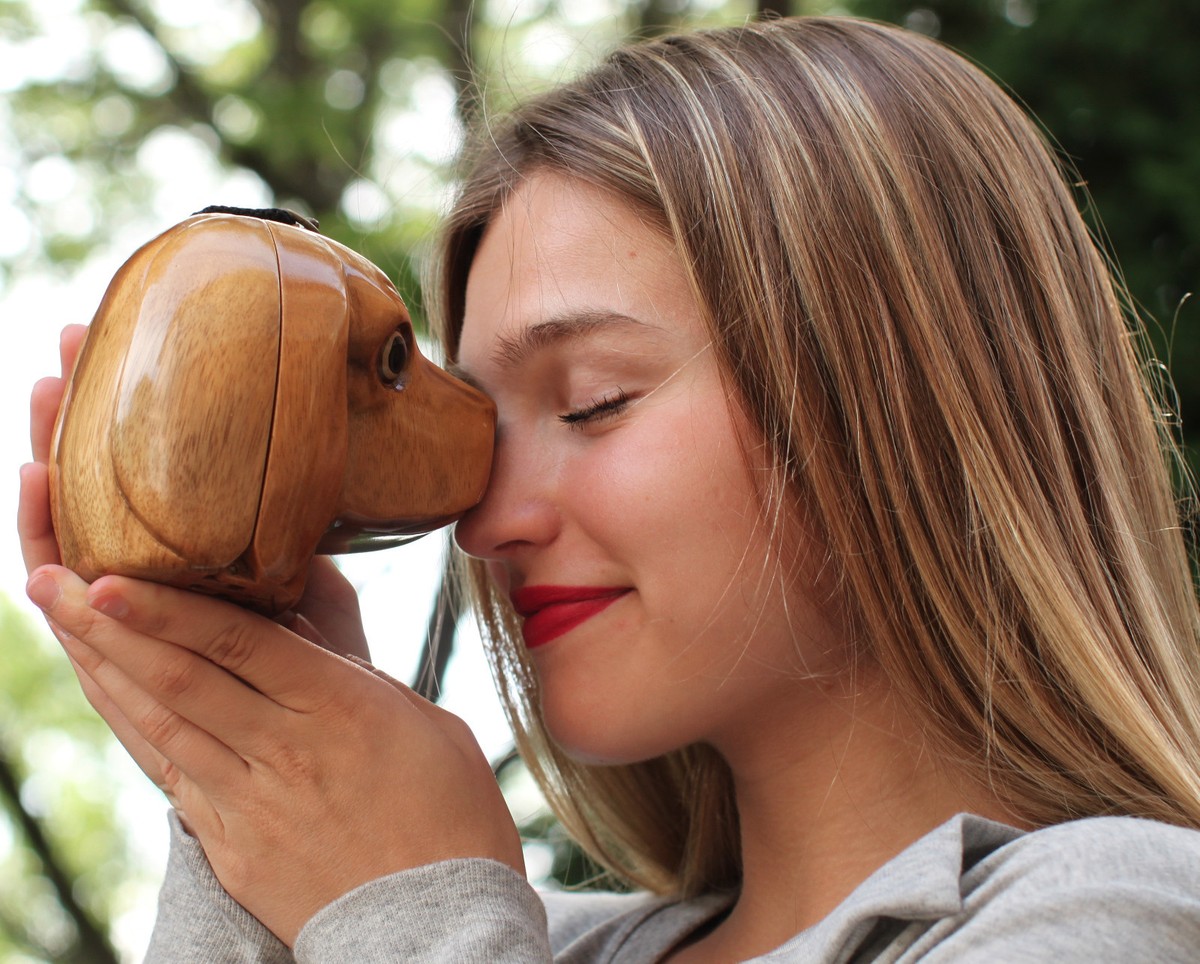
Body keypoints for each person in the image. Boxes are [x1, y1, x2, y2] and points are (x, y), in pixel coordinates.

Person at [18, 14, 1200, 962]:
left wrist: (410, 911)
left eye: (591, 403)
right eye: (483, 428)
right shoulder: (543, 943)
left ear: (904, 397)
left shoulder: (1118, 914)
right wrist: (253, 811)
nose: (484, 521)